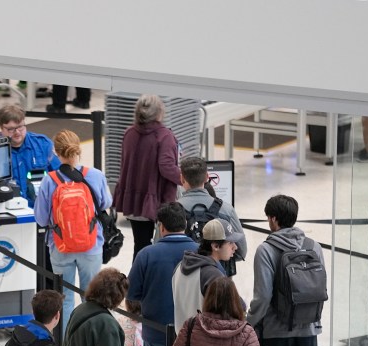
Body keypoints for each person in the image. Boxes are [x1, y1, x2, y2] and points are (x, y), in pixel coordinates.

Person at [247, 194, 324, 346]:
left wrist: (249, 322)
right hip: (308, 332)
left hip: (276, 333)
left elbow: (262, 297)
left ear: (273, 219)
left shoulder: (266, 250)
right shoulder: (314, 247)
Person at [126, 202, 196, 346]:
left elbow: (133, 294)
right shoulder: (200, 252)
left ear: (160, 226)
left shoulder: (147, 254)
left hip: (156, 335)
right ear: (185, 225)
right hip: (193, 337)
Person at [33, 129, 113, 319]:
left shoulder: (48, 181)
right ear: (78, 150)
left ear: (56, 152)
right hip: (90, 244)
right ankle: (87, 339)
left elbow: (41, 219)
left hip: (60, 246)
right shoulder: (95, 175)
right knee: (91, 299)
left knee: (65, 299)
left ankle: (66, 342)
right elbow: (105, 204)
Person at [112, 94, 181, 260]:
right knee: (164, 247)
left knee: (140, 245)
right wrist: (187, 179)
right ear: (159, 113)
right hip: (158, 201)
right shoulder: (164, 136)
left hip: (134, 199)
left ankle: (138, 281)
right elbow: (167, 167)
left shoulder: (129, 133)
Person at [171, 218, 240, 331]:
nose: (235, 247)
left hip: (181, 340)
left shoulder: (180, 266)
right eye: (230, 242)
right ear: (215, 246)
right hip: (204, 344)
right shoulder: (214, 276)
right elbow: (235, 309)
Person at [178, 156, 248, 266]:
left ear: (182, 179)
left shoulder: (173, 211)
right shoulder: (226, 209)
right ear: (207, 177)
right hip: (217, 277)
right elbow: (241, 251)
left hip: (184, 275)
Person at [0, 104, 61, 207]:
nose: (17, 132)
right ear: (1, 128)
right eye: (11, 129)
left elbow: (61, 176)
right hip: (8, 209)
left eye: (20, 127)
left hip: (41, 209)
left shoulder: (43, 144)